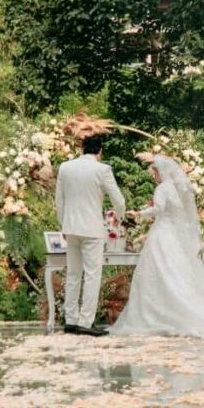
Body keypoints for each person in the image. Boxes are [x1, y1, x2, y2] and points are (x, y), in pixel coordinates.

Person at [111, 155, 204, 337]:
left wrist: (138, 213)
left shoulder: (162, 188)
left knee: (158, 271)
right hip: (175, 236)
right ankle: (178, 312)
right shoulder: (176, 188)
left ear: (160, 172)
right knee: (176, 270)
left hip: (162, 234)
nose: (154, 175)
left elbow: (158, 209)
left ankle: (159, 315)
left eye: (154, 172)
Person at [55, 136, 126, 337]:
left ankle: (70, 321)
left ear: (82, 148)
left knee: (73, 274)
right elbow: (118, 200)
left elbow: (59, 201)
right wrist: (119, 218)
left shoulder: (65, 167)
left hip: (71, 227)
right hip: (92, 229)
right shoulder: (102, 170)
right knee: (92, 275)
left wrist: (63, 224)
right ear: (100, 151)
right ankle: (86, 322)